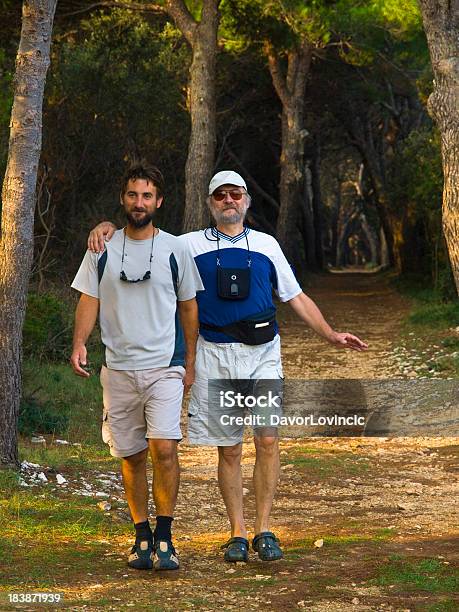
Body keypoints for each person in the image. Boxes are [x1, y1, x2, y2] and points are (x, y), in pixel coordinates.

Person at [87, 170, 368, 563]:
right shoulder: (188, 245)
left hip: (263, 352)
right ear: (210, 203)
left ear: (247, 201)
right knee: (230, 449)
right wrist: (105, 227)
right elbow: (142, 232)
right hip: (214, 352)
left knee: (268, 440)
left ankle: (264, 530)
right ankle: (236, 532)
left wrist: (330, 334)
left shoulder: (267, 245)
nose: (229, 201)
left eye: (236, 194)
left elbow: (296, 297)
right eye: (220, 196)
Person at [70, 161, 203, 571]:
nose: (139, 202)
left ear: (159, 201)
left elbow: (189, 306)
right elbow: (88, 298)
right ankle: (140, 535)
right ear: (123, 199)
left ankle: (165, 537)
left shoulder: (176, 249)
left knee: (164, 448)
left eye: (147, 195)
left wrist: (191, 362)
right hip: (118, 368)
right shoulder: (101, 248)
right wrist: (78, 343)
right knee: (131, 456)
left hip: (164, 366)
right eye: (133, 194)